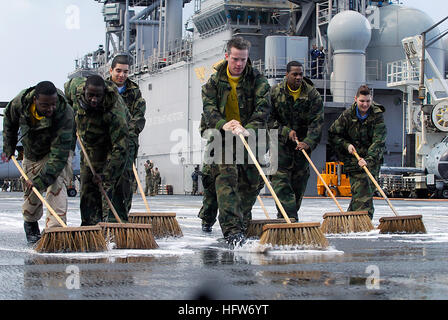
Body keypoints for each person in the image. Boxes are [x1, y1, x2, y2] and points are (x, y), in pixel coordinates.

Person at [201, 37, 271, 246]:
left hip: (250, 134)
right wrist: (224, 124)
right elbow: (209, 109)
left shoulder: (259, 81)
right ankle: (231, 230)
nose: (239, 64)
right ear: (227, 57)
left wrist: (247, 129)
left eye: (243, 59)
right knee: (226, 178)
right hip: (222, 136)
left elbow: (263, 109)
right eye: (235, 59)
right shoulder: (213, 83)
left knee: (251, 182)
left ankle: (242, 222)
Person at [2, 81, 75, 244]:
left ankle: (55, 232)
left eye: (53, 104)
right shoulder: (20, 103)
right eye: (45, 105)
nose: (50, 109)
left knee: (56, 183)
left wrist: (42, 179)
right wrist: (9, 145)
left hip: (57, 151)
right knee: (31, 189)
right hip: (32, 151)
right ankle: (31, 225)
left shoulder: (64, 112)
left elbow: (59, 155)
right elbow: (9, 120)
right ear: (35, 100)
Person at [64, 75, 129, 225]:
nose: (94, 99)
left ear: (104, 93)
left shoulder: (115, 110)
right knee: (88, 184)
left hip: (115, 141)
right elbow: (65, 97)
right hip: (91, 143)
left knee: (113, 182)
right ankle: (89, 226)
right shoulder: (75, 87)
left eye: (98, 96)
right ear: (84, 90)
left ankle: (112, 224)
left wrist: (106, 175)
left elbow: (121, 148)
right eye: (90, 95)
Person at [268, 61, 324, 220]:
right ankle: (289, 218)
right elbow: (268, 119)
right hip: (280, 145)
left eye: (301, 74)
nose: (299, 77)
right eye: (295, 74)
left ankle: (286, 216)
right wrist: (285, 131)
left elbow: (317, 123)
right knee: (281, 184)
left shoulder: (313, 95)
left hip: (302, 147)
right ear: (287, 75)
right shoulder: (275, 93)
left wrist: (308, 142)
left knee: (298, 187)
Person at [328, 85, 386, 219]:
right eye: (362, 101)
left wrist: (369, 159)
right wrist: (346, 145)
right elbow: (333, 134)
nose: (365, 104)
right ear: (355, 99)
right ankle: (364, 221)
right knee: (362, 191)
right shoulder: (347, 116)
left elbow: (379, 141)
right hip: (353, 159)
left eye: (367, 101)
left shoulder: (377, 116)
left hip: (372, 160)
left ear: (371, 100)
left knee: (367, 190)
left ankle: (349, 220)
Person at [108, 54, 146, 216]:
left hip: (127, 144)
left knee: (124, 182)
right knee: (106, 180)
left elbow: (138, 117)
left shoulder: (134, 91)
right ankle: (103, 218)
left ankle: (121, 218)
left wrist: (126, 137)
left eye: (125, 71)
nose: (122, 75)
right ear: (111, 70)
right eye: (118, 71)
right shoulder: (102, 89)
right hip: (105, 144)